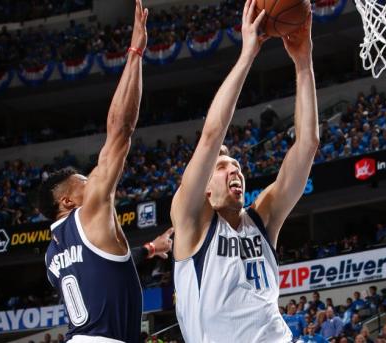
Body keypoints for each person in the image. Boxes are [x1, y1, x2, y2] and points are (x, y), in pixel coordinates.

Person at [171, 0, 318, 340]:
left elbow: (307, 145)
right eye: (222, 167)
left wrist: (302, 63)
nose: (234, 170)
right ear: (204, 188)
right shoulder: (191, 221)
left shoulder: (263, 217)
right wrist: (248, 54)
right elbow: (211, 136)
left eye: (236, 165)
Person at [40, 1, 149, 341]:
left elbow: (99, 266)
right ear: (69, 201)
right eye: (84, 182)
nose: (94, 179)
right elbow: (120, 131)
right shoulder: (88, 215)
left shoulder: (51, 255)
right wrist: (134, 53)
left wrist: (148, 249)